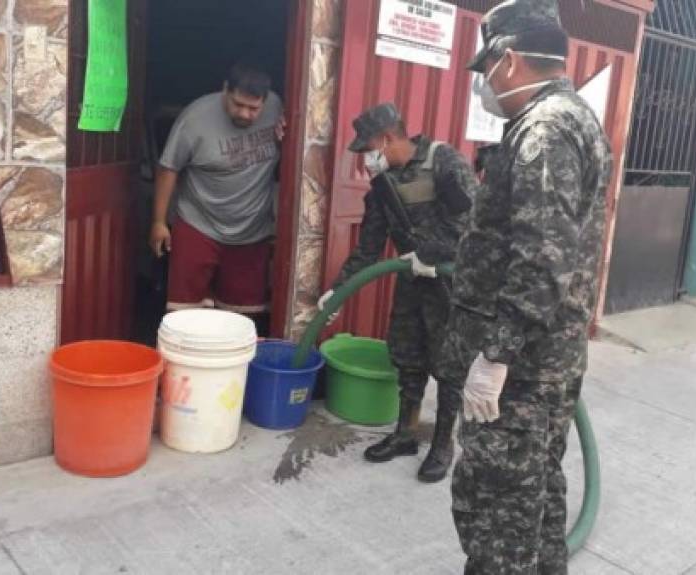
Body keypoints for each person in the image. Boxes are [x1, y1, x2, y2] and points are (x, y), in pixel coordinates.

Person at [437, 1, 612, 572]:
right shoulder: (577, 116)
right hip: (548, 356)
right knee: (536, 489)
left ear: (508, 61)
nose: (485, 85)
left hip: (520, 369)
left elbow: (542, 259)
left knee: (494, 505)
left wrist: (495, 356)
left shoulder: (542, 130)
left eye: (486, 68)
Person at [319, 103, 477, 483]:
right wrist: (339, 290)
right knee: (408, 356)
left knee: (449, 365)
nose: (365, 159)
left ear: (387, 139)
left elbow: (472, 220)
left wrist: (432, 253)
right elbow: (369, 246)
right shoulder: (382, 185)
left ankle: (442, 444)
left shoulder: (444, 162)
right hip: (411, 282)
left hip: (451, 282)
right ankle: (406, 433)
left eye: (368, 149)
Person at [150, 61, 286, 330]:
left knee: (243, 319)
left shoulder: (277, 108)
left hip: (252, 230)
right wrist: (158, 222)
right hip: (198, 224)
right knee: (183, 315)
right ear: (225, 90)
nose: (245, 114)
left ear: (266, 101)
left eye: (253, 108)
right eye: (238, 104)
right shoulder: (195, 119)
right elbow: (168, 169)